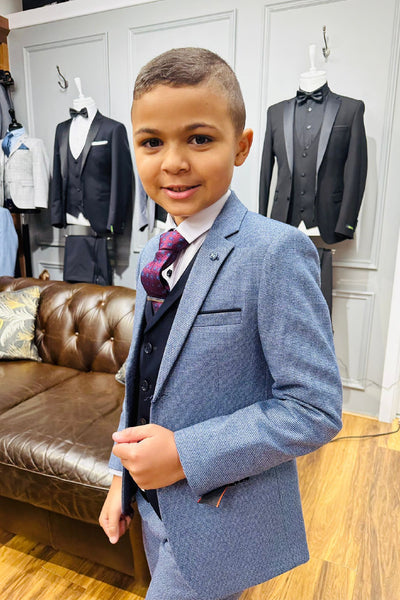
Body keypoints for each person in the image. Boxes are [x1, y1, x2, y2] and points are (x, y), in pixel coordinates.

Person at [99, 47, 342, 600]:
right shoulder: (152, 252)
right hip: (154, 507)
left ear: (242, 146)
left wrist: (184, 454)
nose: (173, 162)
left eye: (199, 139)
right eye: (151, 142)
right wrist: (120, 477)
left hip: (218, 515)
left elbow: (314, 408)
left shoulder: (275, 252)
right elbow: (143, 377)